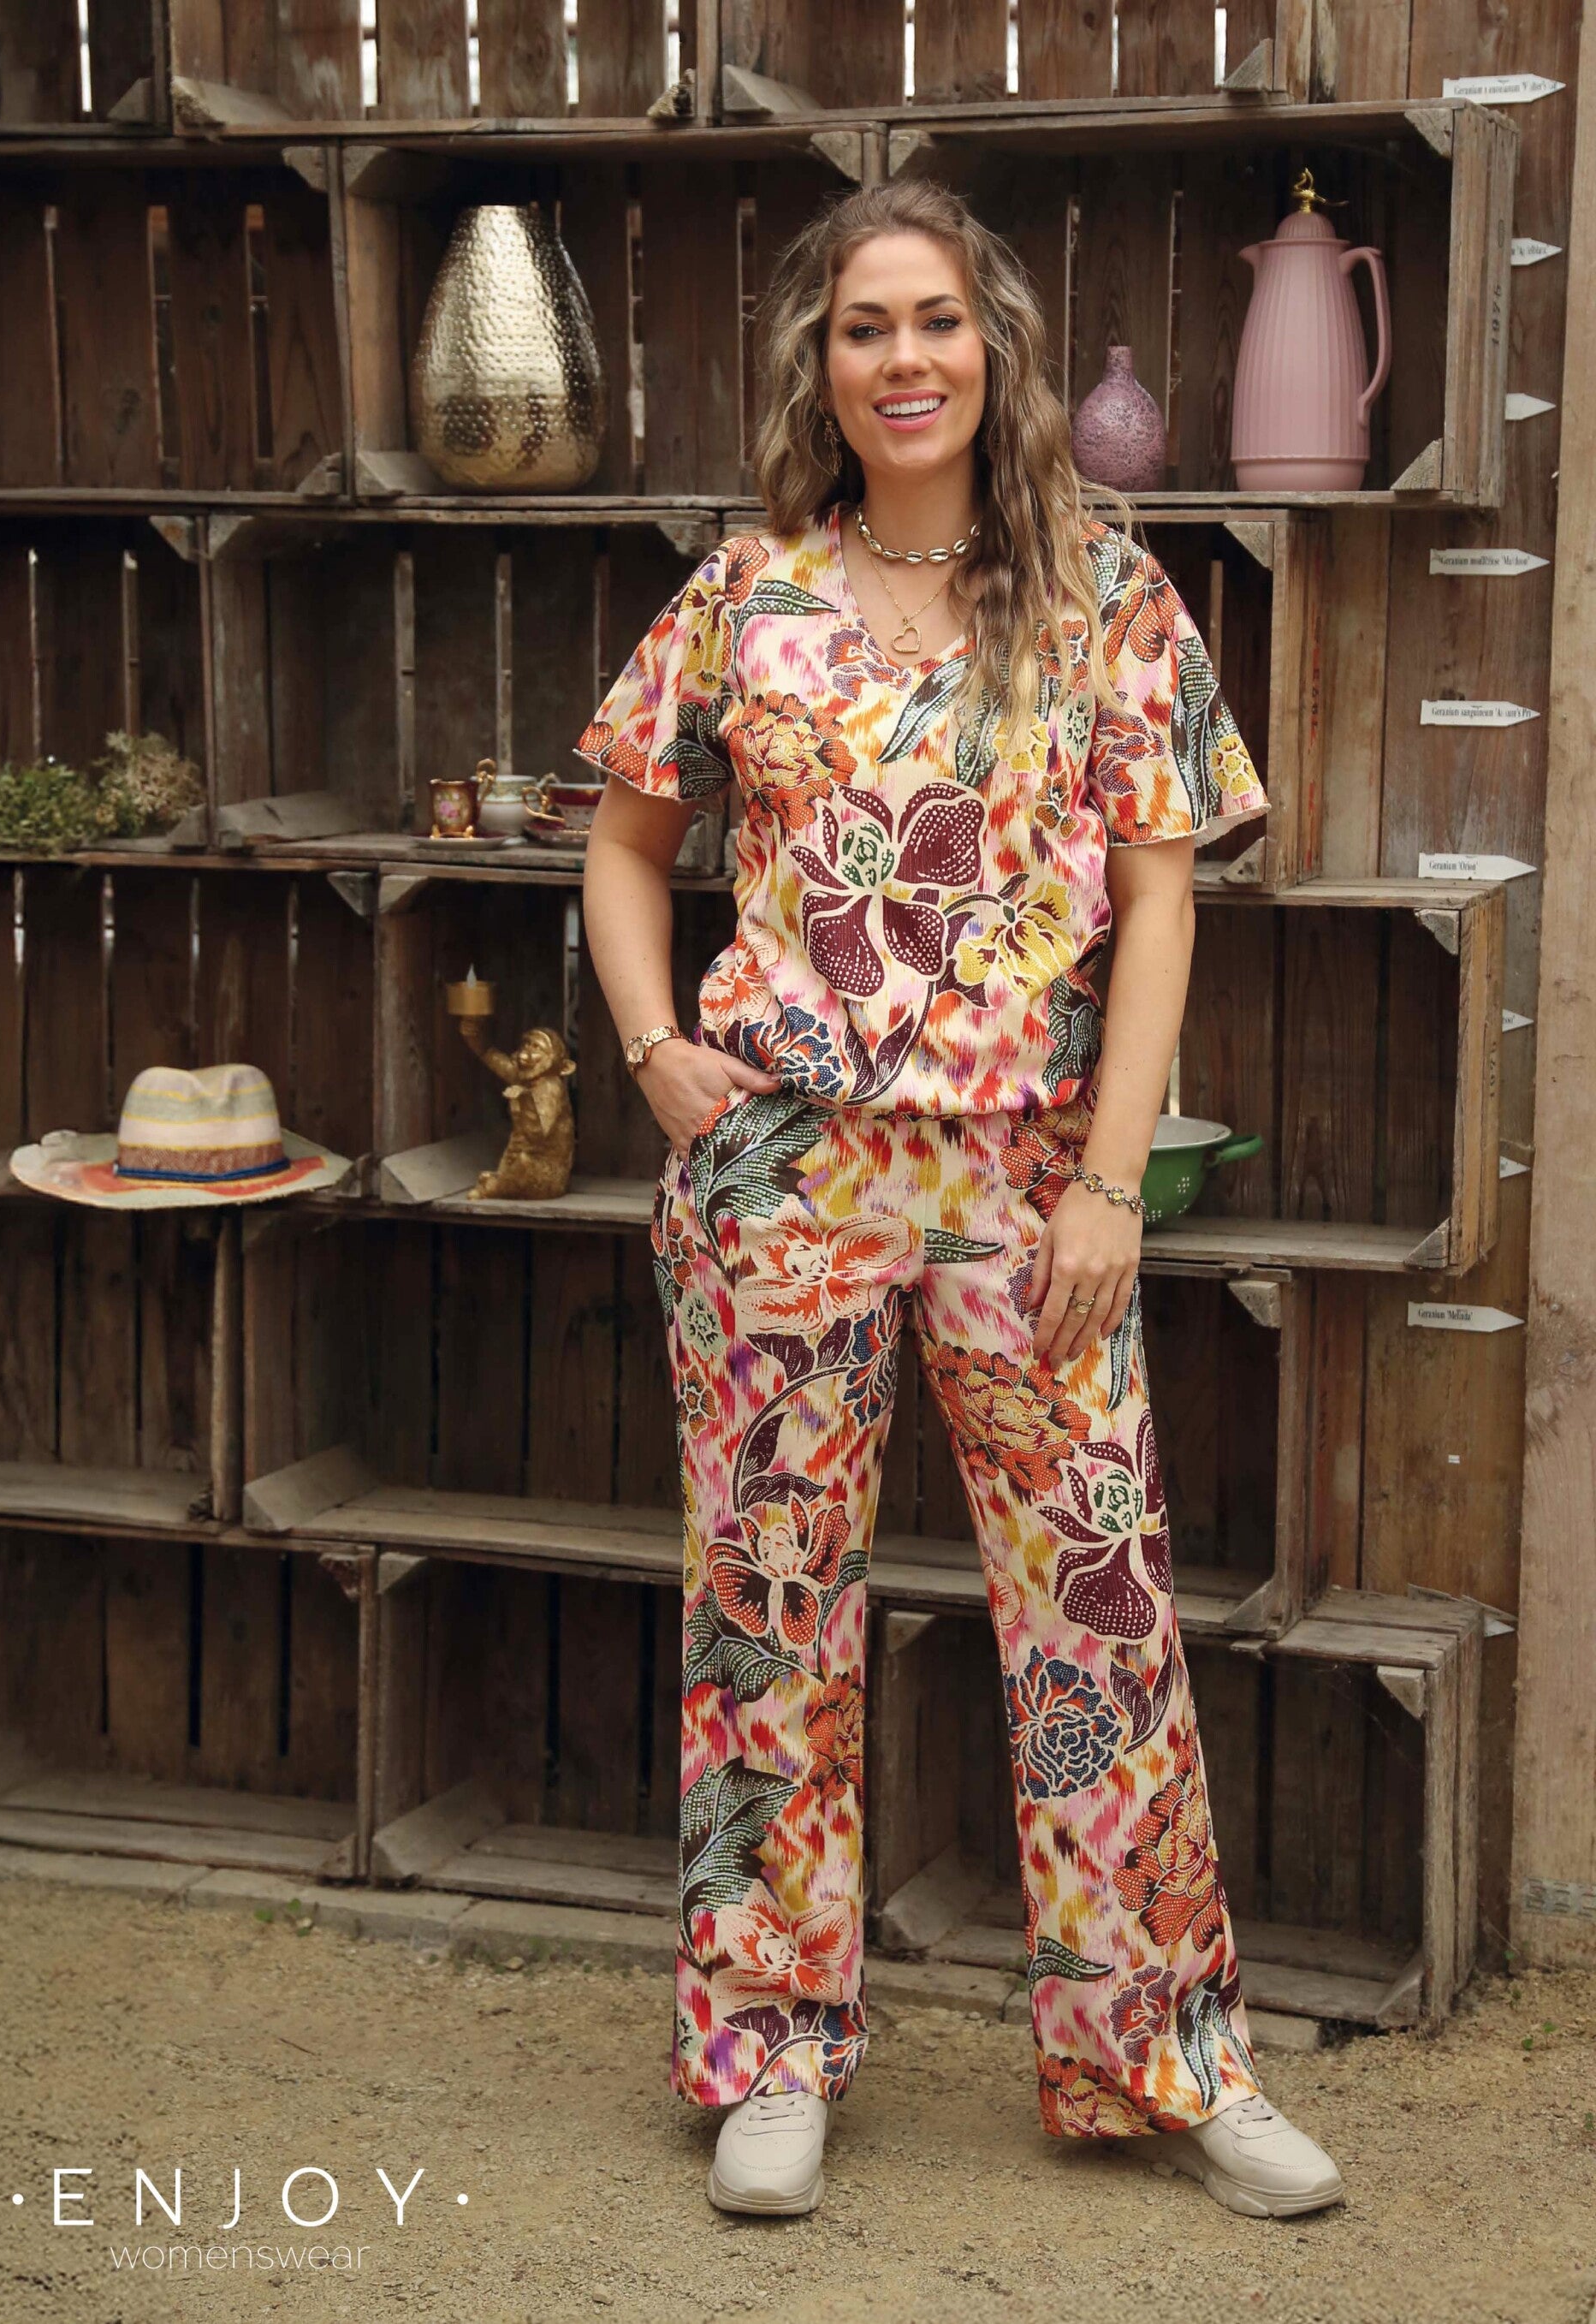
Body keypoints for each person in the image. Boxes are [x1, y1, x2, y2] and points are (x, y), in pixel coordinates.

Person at [576, 176, 1344, 2225]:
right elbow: (625, 846)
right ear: (820, 367)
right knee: (769, 1609)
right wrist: (655, 1049)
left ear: (991, 347)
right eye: (863, 326)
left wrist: (1113, 1182)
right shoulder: (745, 592)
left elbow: (1164, 904)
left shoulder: (1109, 593)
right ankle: (770, 2050)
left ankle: (1167, 2050)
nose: (902, 358)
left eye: (934, 320)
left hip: (1030, 1182)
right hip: (776, 1172)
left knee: (1101, 1608)